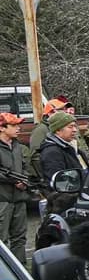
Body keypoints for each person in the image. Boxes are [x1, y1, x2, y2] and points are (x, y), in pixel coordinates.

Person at [38, 111, 89, 215]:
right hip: (65, 206)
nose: (75, 130)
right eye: (70, 127)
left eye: (75, 126)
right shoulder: (52, 152)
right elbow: (58, 183)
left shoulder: (71, 147)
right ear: (58, 130)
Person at [0, 112, 32, 264]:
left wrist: (23, 180)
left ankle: (21, 270)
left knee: (19, 237)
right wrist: (13, 180)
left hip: (19, 197)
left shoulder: (18, 146)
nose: (18, 128)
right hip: (2, 199)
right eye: (14, 125)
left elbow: (25, 167)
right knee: (2, 239)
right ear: (2, 128)